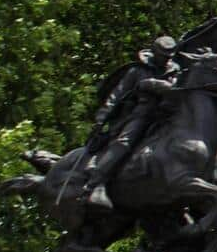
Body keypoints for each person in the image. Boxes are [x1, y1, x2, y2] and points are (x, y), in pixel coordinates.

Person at [74, 35, 180, 211]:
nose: (166, 59)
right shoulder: (137, 71)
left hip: (166, 116)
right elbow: (116, 96)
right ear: (154, 53)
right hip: (142, 114)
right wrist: (102, 118)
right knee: (124, 142)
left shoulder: (175, 71)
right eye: (163, 55)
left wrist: (169, 88)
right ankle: (95, 183)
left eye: (169, 56)